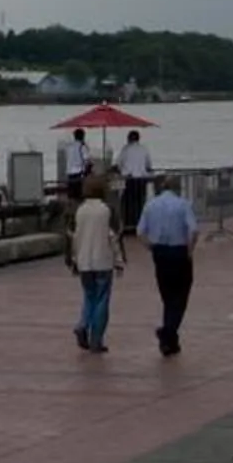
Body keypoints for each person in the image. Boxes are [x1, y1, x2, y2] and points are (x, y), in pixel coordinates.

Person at [137, 174, 200, 355]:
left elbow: (140, 231)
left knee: (167, 294)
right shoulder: (183, 204)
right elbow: (194, 230)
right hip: (179, 251)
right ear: (177, 188)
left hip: (160, 251)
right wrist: (190, 250)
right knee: (180, 295)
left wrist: (151, 247)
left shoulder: (151, 205)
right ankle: (168, 331)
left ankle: (170, 341)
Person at [67, 171, 121, 353]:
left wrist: (74, 260)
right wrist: (119, 260)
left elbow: (75, 237)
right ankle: (96, 339)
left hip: (84, 261)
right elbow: (112, 236)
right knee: (102, 299)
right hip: (103, 260)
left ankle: (83, 324)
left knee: (89, 296)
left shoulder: (80, 210)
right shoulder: (106, 211)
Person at [117, 128, 153, 233]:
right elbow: (148, 165)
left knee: (128, 203)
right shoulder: (144, 149)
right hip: (141, 179)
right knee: (140, 203)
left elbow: (119, 164)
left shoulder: (126, 149)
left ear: (129, 139)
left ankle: (128, 225)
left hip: (130, 179)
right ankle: (140, 225)